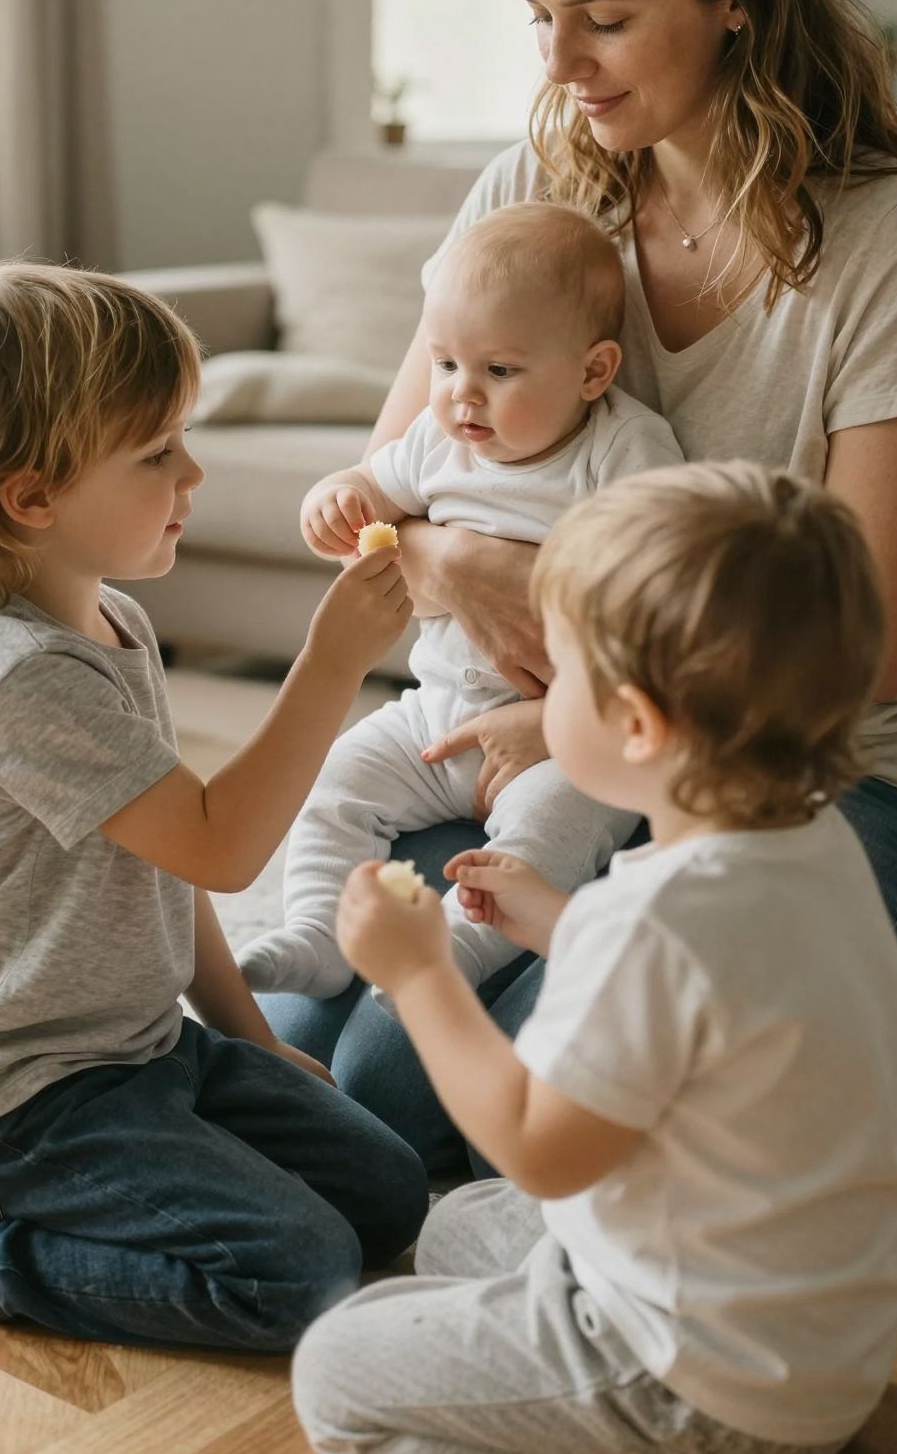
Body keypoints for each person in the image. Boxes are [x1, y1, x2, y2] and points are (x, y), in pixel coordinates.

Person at [261, 0, 897, 1166]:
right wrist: (461, 568)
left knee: (537, 1121)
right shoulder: (528, 198)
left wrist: (548, 655)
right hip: (517, 754)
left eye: (603, 20)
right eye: (539, 19)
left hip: (810, 784)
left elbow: (875, 649)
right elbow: (390, 507)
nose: (559, 65)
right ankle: (864, 1012)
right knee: (342, 1069)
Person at [293, 461, 897, 1454]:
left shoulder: (654, 930)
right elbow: (709, 991)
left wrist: (421, 975)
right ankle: (745, 1442)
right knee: (455, 1225)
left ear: (633, 723)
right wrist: (548, 916)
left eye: (556, 670)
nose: (526, 685)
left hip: (696, 1386)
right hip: (826, 1343)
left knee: (336, 1375)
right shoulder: (810, 845)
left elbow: (541, 1148)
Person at [0, 262, 429, 1349]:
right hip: (10, 1098)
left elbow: (169, 862)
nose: (193, 471)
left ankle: (44, 1191)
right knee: (301, 1273)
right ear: (31, 496)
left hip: (131, 1049)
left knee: (387, 1191)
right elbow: (224, 843)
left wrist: (249, 1037)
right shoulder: (19, 678)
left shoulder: (115, 625)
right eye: (158, 452)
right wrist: (332, 663)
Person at [239, 200, 680, 1003]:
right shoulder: (440, 443)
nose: (462, 396)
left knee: (547, 840)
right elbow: (374, 488)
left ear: (593, 371)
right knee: (334, 785)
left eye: (499, 371)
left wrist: (567, 718)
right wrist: (338, 496)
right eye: (445, 366)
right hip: (431, 717)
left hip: (565, 741)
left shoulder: (623, 450)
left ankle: (455, 952)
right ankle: (314, 927)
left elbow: (660, 596)